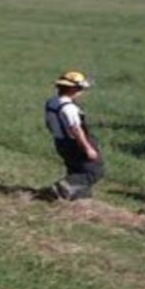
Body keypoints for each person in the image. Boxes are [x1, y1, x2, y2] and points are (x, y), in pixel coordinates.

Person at [44, 71, 104, 200]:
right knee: (93, 171)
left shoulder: (51, 102)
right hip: (75, 143)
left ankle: (77, 197)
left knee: (75, 170)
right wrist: (87, 148)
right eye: (81, 88)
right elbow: (76, 129)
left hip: (60, 142)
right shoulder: (69, 108)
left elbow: (48, 124)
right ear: (73, 89)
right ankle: (63, 187)